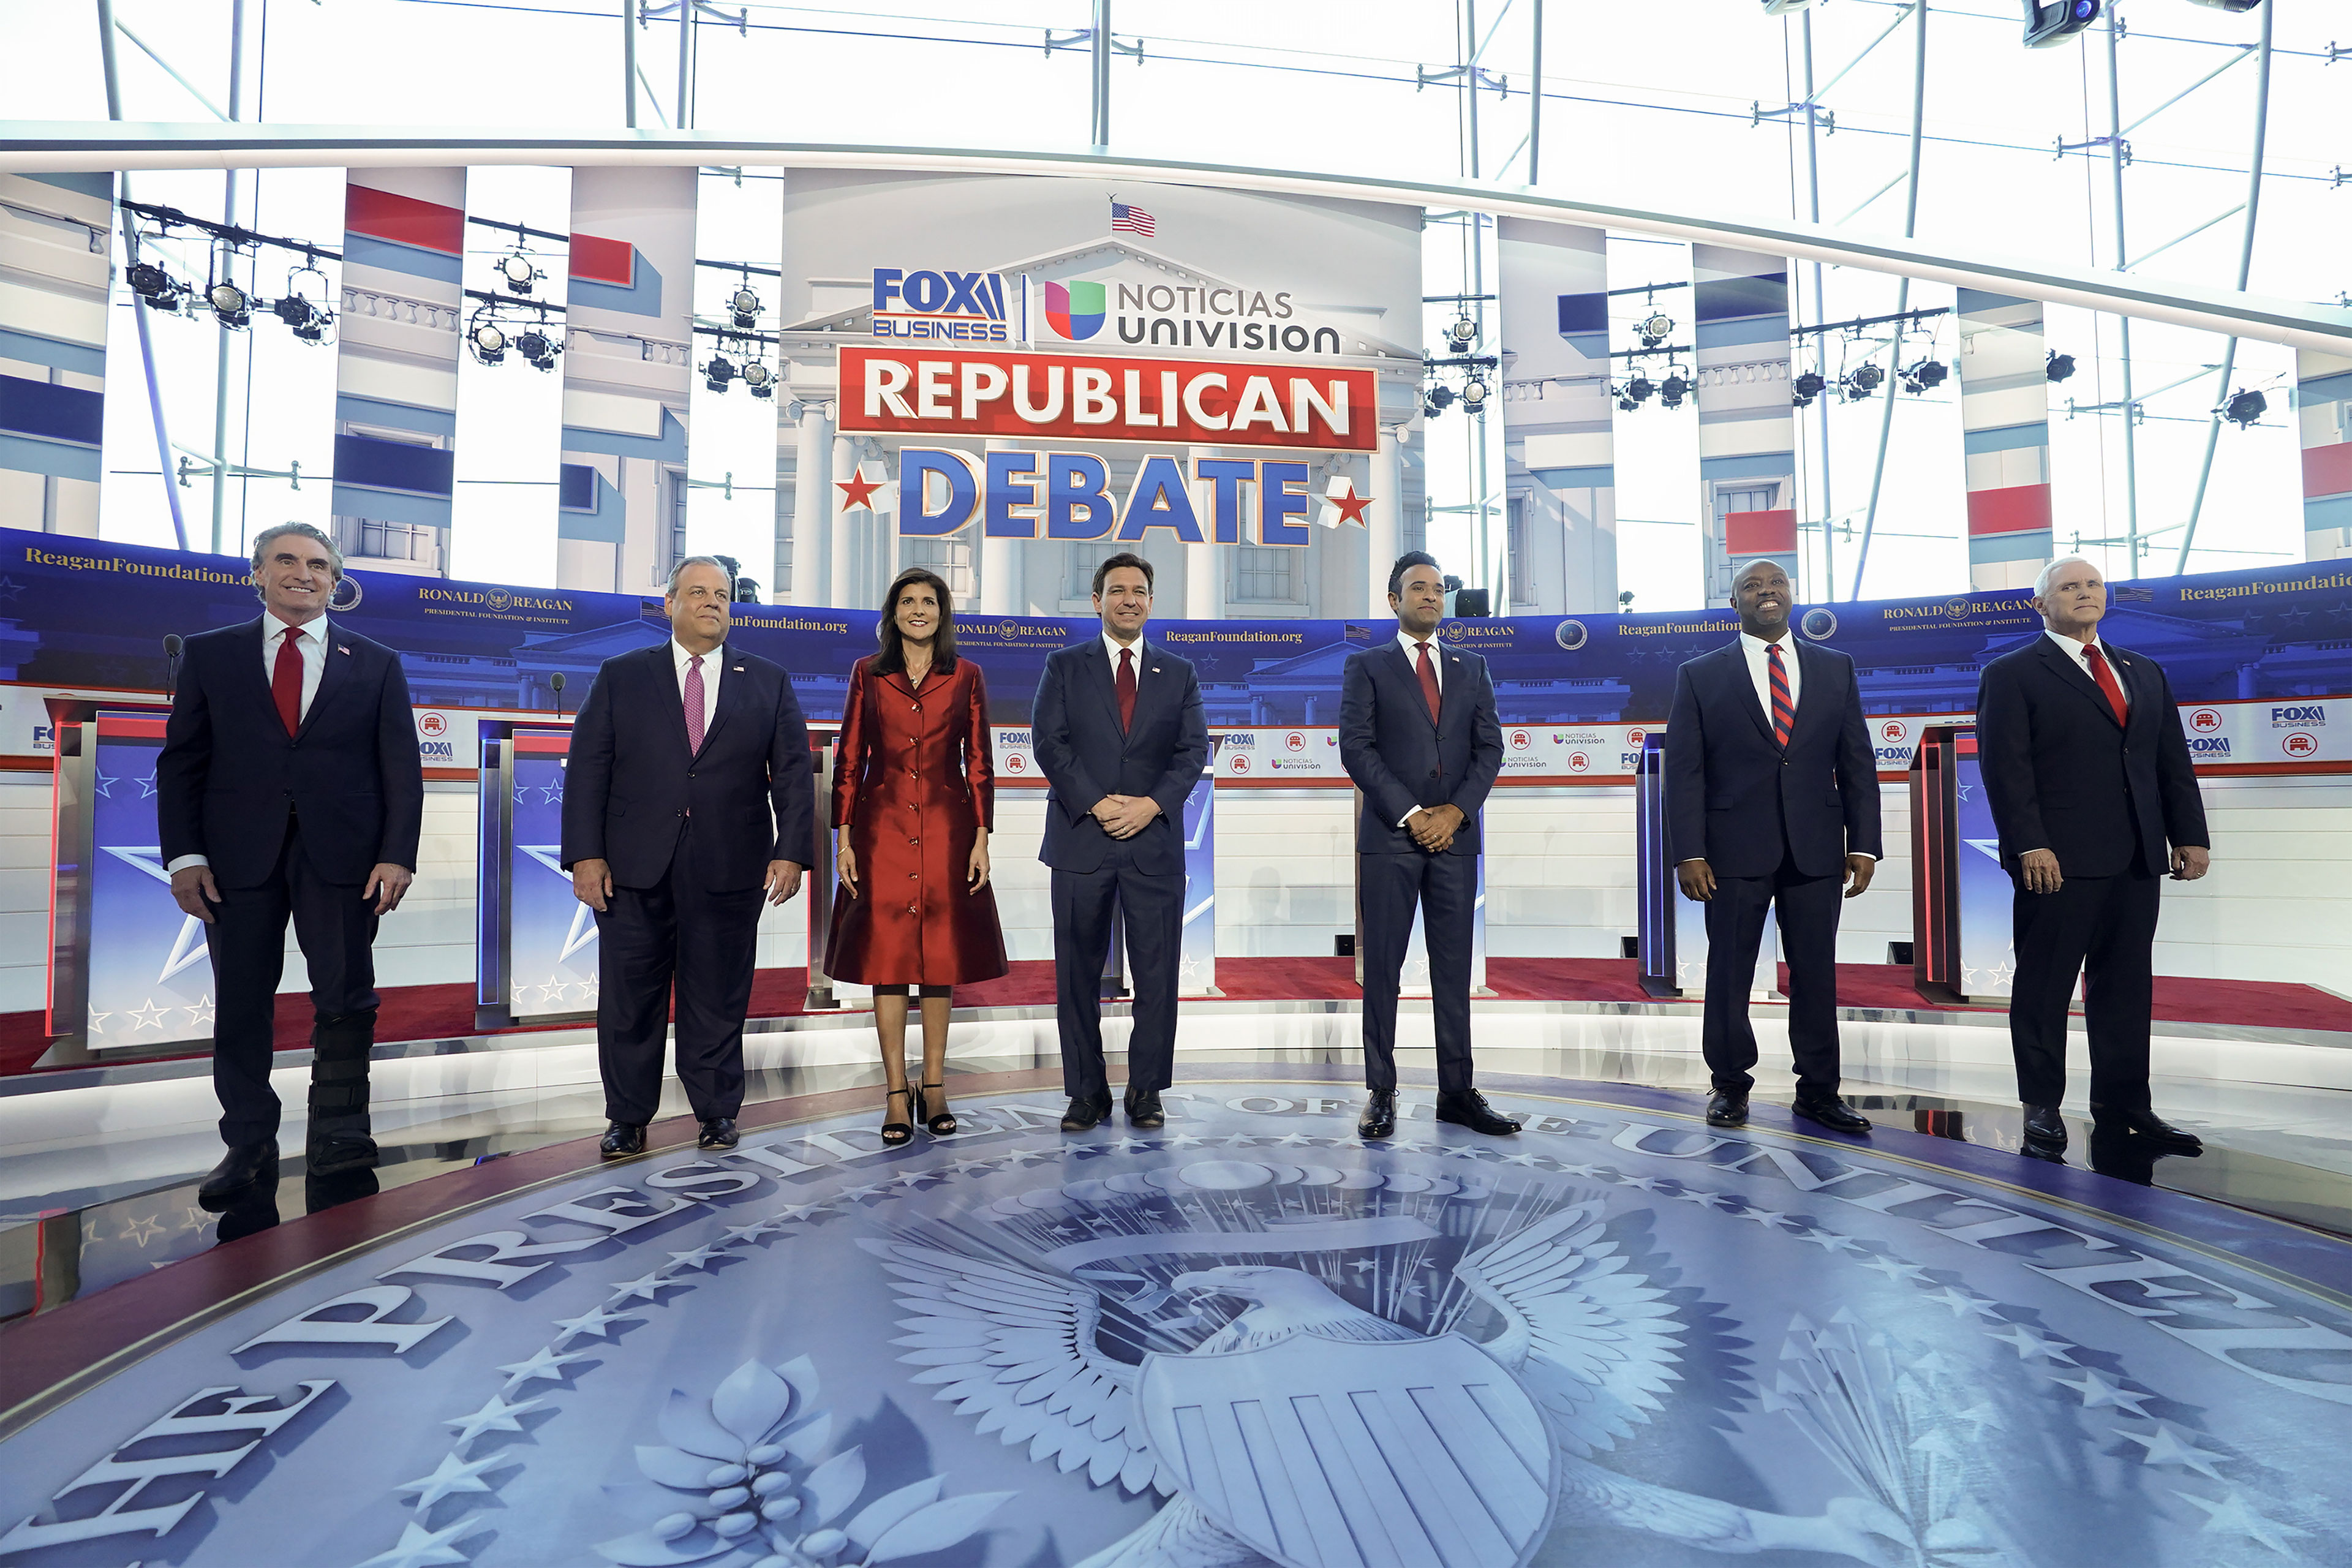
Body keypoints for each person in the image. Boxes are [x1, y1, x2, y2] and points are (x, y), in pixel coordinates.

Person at [157, 522, 423, 1207]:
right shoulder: (211, 656)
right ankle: (248, 1144)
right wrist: (184, 856)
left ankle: (341, 1134)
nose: (301, 573)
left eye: (316, 564)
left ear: (334, 581)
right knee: (242, 1003)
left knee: (346, 998)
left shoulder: (378, 661)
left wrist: (397, 855)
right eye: (286, 560)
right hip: (233, 859)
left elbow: (401, 769)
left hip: (346, 859)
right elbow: (182, 762)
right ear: (259, 573)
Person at [562, 556, 813, 1157]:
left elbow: (795, 775)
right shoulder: (623, 674)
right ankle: (627, 1116)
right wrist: (585, 856)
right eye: (697, 592)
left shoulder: (768, 679)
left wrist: (792, 852)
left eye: (722, 595)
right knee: (630, 998)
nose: (712, 603)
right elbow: (590, 768)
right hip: (631, 865)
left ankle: (718, 1113)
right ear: (669, 603)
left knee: (719, 993)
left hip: (730, 863)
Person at [1974, 554, 2209, 1163]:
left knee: (2127, 988)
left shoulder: (2143, 671)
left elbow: (2170, 764)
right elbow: (2007, 770)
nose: (2085, 593)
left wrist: (2190, 834)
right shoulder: (2013, 673)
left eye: (2093, 584)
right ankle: (2042, 1107)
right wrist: (2030, 843)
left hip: (2136, 857)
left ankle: (2126, 1105)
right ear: (2040, 604)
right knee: (2045, 988)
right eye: (2069, 586)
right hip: (2056, 862)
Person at [1664, 559, 1881, 1135]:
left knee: (1817, 973)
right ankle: (1730, 1085)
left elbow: (1857, 761)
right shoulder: (1699, 674)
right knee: (1730, 972)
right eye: (1751, 587)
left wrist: (1865, 844)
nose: (1766, 593)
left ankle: (1819, 1092)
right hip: (1731, 852)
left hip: (1817, 850)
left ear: (1792, 596)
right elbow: (1684, 772)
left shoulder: (1836, 668)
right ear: (1733, 603)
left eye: (1776, 584)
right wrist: (1688, 850)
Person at [827, 567, 1008, 1145]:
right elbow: (850, 758)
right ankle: (895, 1093)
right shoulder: (867, 674)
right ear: (893, 611)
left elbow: (979, 761)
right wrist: (844, 836)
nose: (918, 610)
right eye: (908, 600)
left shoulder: (968, 675)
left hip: (949, 828)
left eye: (929, 601)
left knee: (939, 958)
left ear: (943, 612)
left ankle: (936, 1086)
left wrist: (982, 834)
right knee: (889, 960)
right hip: (881, 830)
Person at [1340, 552, 1515, 1141]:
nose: (1431, 597)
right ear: (1394, 600)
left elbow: (1490, 749)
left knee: (1453, 970)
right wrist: (1414, 814)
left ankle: (1457, 1093)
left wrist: (1456, 812)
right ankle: (1381, 1091)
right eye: (1418, 588)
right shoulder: (1367, 666)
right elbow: (1357, 749)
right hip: (1391, 840)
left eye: (1439, 589)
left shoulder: (1473, 666)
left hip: (1456, 842)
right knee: (1383, 970)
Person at [1031, 551, 1208, 1132]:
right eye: (1117, 590)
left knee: (1156, 974)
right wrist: (1099, 803)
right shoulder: (1064, 666)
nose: (1129, 599)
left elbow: (1191, 753)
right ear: (1097, 600)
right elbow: (1050, 745)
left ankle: (1146, 1090)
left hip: (1152, 841)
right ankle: (1085, 1093)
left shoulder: (1178, 673)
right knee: (1076, 974)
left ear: (1151, 601)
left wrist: (1152, 804)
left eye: (1139, 590)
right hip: (1083, 838)